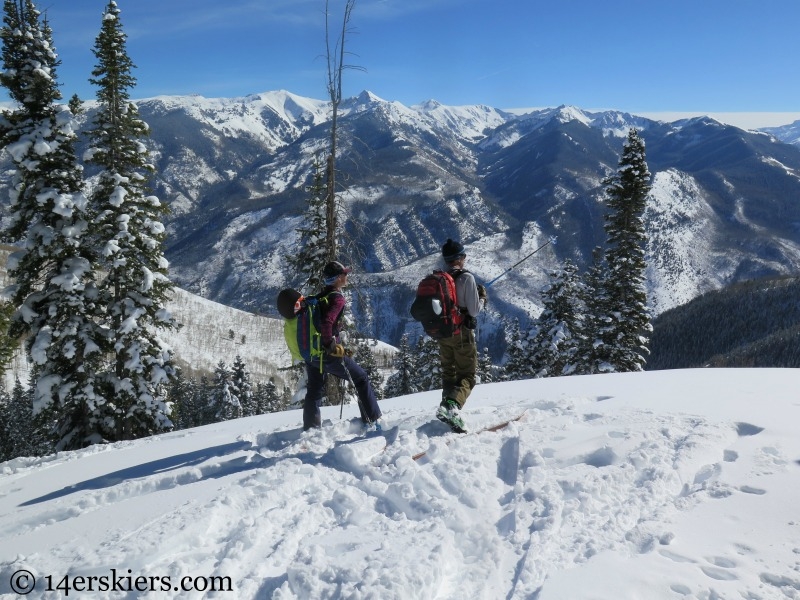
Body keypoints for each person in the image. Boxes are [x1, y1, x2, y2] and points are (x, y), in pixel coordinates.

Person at [302, 260, 383, 431]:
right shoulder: (337, 298)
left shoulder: (319, 296)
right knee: (360, 378)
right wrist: (330, 344)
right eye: (345, 274)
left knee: (314, 388)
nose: (347, 276)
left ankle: (310, 429)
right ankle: (372, 420)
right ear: (339, 278)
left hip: (312, 352)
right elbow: (327, 322)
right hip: (327, 352)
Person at [436, 238, 487, 431]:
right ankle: (452, 406)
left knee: (449, 372)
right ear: (461, 258)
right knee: (468, 375)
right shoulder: (467, 278)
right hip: (461, 333)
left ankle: (445, 408)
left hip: (443, 333)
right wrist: (482, 297)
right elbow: (474, 311)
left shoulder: (439, 278)